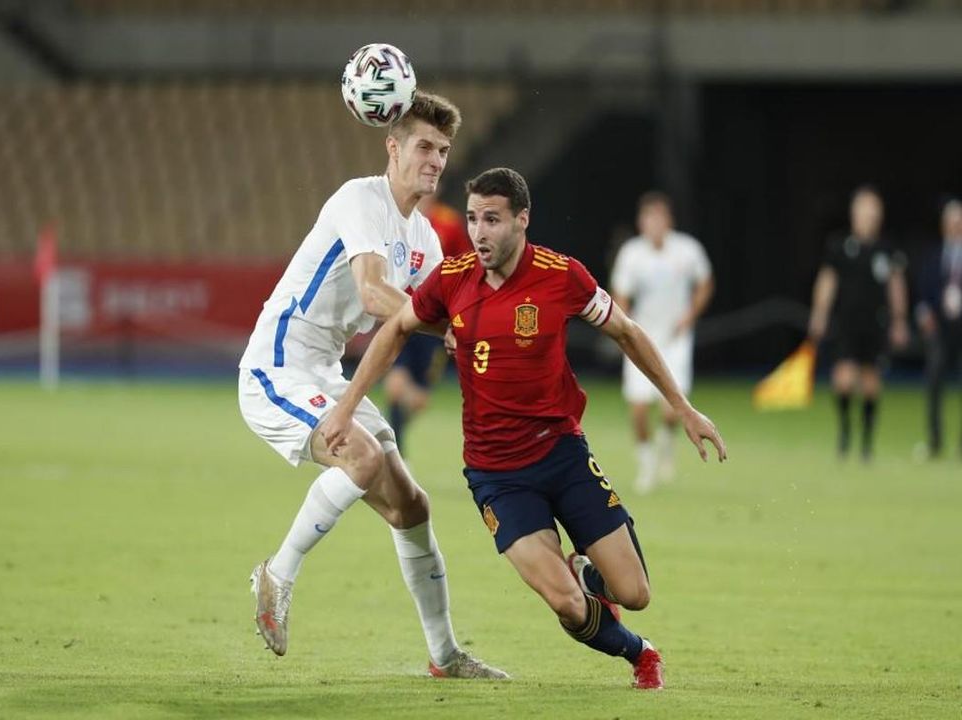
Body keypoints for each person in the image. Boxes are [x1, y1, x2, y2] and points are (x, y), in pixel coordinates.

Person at [321, 168, 728, 689]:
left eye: (491, 219)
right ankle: (640, 653)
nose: (478, 232)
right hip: (497, 476)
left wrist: (683, 407)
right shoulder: (453, 278)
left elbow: (626, 332)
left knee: (635, 594)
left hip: (563, 455)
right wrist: (346, 406)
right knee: (567, 603)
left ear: (522, 220)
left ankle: (590, 571)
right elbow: (396, 328)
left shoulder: (562, 276)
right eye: (473, 219)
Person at [237, 92, 506, 679]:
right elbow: (376, 294)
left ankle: (445, 657)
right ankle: (277, 574)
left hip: (326, 373)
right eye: (424, 147)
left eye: (443, 150)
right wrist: (453, 325)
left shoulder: (425, 239)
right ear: (393, 147)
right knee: (360, 456)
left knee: (413, 506)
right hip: (276, 366)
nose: (435, 160)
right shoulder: (359, 199)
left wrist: (478, 325)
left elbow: (424, 319)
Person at [609, 192, 713, 493]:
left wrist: (689, 317)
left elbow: (705, 283)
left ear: (669, 220)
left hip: (675, 339)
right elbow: (620, 293)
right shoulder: (632, 253)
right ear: (641, 222)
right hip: (642, 338)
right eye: (649, 217)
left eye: (659, 217)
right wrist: (623, 327)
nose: (654, 223)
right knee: (639, 409)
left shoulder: (687, 250)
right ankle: (646, 466)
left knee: (671, 410)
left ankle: (666, 444)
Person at [808, 186, 909, 460]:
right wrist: (819, 314)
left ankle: (866, 442)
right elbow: (827, 281)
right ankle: (845, 431)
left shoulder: (887, 249)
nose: (868, 215)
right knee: (842, 380)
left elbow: (896, 286)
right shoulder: (839, 246)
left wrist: (899, 320)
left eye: (873, 210)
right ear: (854, 213)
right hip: (846, 323)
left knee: (870, 384)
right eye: (864, 209)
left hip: (875, 323)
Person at [383, 196, 473, 456]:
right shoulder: (397, 221)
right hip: (402, 315)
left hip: (434, 322)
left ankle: (385, 435)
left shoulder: (449, 223)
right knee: (395, 385)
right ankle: (395, 453)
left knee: (419, 400)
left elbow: (465, 266)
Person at [916, 198, 962, 459]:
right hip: (940, 329)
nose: (956, 225)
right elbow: (923, 291)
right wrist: (925, 315)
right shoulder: (933, 255)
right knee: (934, 380)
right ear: (944, 225)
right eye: (951, 221)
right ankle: (935, 441)